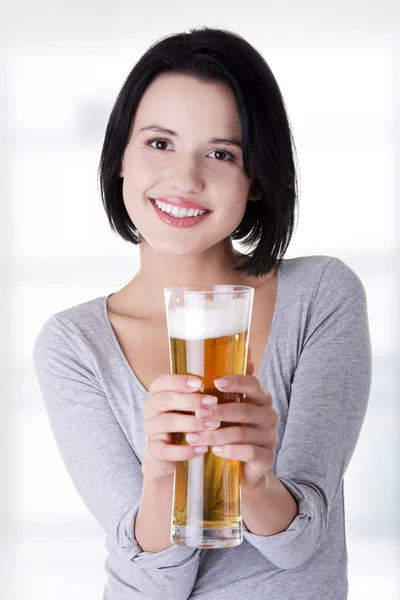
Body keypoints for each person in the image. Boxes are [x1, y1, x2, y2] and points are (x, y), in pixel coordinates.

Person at [32, 27, 372, 600]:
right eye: (159, 143)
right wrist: (163, 475)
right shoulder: (74, 344)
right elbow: (152, 581)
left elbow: (297, 545)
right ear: (120, 157)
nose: (184, 180)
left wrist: (257, 479)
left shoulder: (320, 296)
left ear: (256, 178)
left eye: (220, 153)